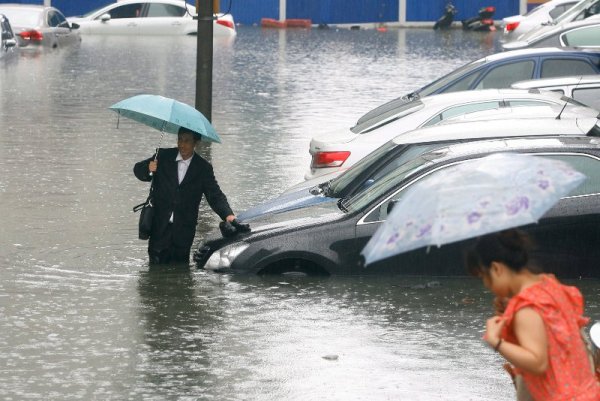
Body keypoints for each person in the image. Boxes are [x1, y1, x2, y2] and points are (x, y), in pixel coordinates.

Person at [466, 229, 600, 401]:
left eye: (483, 277)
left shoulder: (526, 307)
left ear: (496, 268)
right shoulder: (548, 284)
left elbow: (538, 363)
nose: (485, 284)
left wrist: (495, 341)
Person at [134, 127, 248, 264]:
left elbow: (215, 195)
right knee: (154, 271)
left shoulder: (203, 168)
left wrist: (229, 215)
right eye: (180, 139)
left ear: (196, 143)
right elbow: (138, 170)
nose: (182, 144)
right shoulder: (163, 156)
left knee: (181, 271)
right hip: (159, 227)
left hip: (183, 232)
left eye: (187, 141)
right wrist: (148, 168)